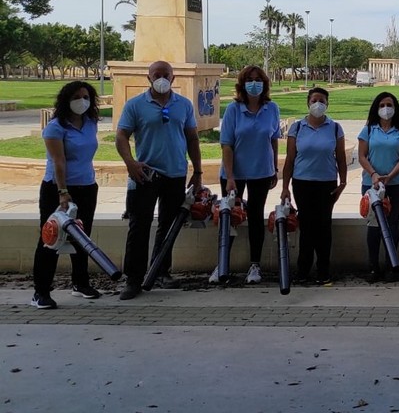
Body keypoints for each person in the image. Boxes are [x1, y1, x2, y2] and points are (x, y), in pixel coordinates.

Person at [116, 61, 203, 300]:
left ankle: (161, 271)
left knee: (168, 226)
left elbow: (192, 139)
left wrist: (198, 172)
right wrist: (130, 163)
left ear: (173, 78)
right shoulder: (135, 105)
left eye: (166, 75)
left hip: (175, 174)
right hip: (144, 175)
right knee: (139, 226)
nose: (161, 78)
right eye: (157, 75)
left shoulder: (183, 105)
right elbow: (121, 135)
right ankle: (133, 279)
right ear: (148, 78)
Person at [31, 81, 102, 308]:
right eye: (76, 97)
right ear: (66, 100)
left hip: (87, 187)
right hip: (58, 189)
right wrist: (63, 193)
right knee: (51, 240)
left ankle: (80, 284)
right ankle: (41, 292)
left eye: (86, 96)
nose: (82, 101)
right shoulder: (55, 127)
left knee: (82, 237)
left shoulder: (90, 123)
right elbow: (58, 162)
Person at [215, 65, 281, 284]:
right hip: (234, 174)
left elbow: (273, 140)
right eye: (250, 80)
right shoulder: (234, 110)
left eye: (258, 79)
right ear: (242, 84)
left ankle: (255, 266)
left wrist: (274, 168)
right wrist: (231, 176)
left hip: (261, 172)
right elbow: (227, 144)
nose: (254, 83)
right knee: (229, 219)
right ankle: (222, 263)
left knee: (255, 217)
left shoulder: (272, 109)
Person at [280, 87, 347, 285]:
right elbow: (290, 160)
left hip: (326, 184)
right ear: (308, 103)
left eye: (322, 101)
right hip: (302, 183)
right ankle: (303, 270)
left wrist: (342, 182)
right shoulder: (297, 127)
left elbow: (342, 159)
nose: (318, 104)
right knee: (307, 227)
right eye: (315, 100)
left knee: (324, 227)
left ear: (327, 104)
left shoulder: (335, 128)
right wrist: (285, 187)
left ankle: (323, 271)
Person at [358, 92, 399, 283]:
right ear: (376, 108)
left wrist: (390, 176)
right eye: (382, 105)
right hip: (371, 185)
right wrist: (373, 174)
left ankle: (392, 266)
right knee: (374, 226)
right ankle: (373, 267)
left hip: (395, 184)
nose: (386, 109)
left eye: (389, 105)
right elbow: (362, 156)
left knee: (392, 225)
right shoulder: (368, 130)